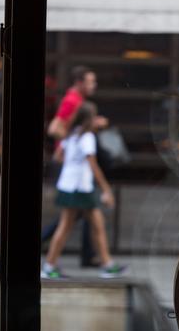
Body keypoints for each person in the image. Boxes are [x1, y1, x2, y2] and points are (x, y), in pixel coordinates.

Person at [41, 102, 126, 280]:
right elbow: (93, 165)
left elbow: (58, 156)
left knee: (91, 224)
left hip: (68, 184)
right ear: (89, 119)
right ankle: (50, 266)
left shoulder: (71, 134)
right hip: (80, 187)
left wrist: (72, 163)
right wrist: (106, 189)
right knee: (74, 226)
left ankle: (106, 264)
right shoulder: (87, 137)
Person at [43, 65, 109, 266]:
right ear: (79, 82)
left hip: (77, 169)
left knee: (79, 216)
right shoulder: (72, 100)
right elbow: (55, 128)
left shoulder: (79, 102)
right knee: (71, 219)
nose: (94, 85)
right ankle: (95, 260)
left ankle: (91, 257)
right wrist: (73, 140)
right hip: (74, 167)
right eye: (90, 81)